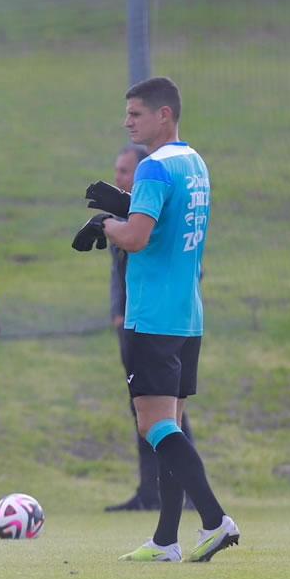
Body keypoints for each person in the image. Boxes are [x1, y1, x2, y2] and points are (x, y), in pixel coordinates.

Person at [72, 76, 239, 563]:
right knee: (171, 424)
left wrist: (106, 224)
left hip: (151, 316)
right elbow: (167, 221)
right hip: (187, 315)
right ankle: (167, 540)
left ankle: (215, 520)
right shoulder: (194, 163)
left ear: (164, 114)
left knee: (154, 425)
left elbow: (138, 238)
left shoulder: (152, 167)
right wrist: (125, 208)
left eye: (136, 113)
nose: (127, 122)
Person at [103, 144, 196, 513]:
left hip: (159, 323)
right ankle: (150, 492)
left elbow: (185, 264)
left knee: (167, 415)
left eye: (126, 171)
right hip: (133, 324)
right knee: (144, 413)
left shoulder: (156, 217)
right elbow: (119, 272)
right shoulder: (125, 216)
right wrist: (118, 312)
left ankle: (192, 494)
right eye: (118, 170)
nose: (118, 177)